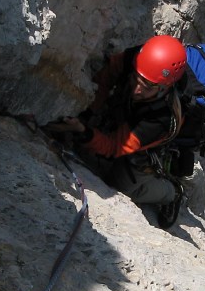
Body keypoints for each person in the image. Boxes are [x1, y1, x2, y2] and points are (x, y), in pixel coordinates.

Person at [47, 35, 187, 227]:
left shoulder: (161, 118)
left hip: (142, 143)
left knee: (121, 184)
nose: (137, 89)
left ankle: (171, 193)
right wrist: (89, 112)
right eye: (136, 79)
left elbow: (115, 146)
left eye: (146, 88)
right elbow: (106, 77)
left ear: (164, 88)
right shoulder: (138, 59)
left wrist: (84, 132)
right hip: (128, 113)